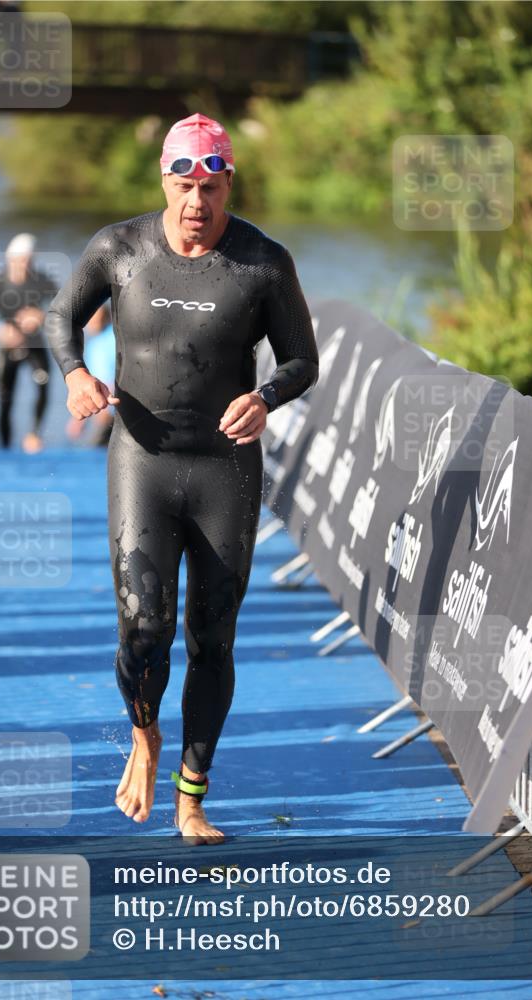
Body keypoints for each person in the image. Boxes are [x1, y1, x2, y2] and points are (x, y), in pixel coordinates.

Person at [45, 112, 319, 844]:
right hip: (141, 461)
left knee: (213, 637)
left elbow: (302, 360)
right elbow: (60, 318)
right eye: (183, 182)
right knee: (144, 629)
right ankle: (143, 735)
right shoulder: (119, 248)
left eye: (212, 184)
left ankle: (190, 799)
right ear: (163, 179)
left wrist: (264, 398)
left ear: (229, 181)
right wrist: (74, 375)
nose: (197, 201)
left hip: (224, 468)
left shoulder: (261, 262)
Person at [0, 232, 58, 453]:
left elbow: (66, 308)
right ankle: (4, 446)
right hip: (8, 346)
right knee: (4, 398)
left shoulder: (42, 280)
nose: (24, 265)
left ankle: (34, 435)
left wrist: (41, 316)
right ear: (10, 259)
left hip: (35, 344)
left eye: (29, 260)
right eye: (20, 260)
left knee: (43, 386)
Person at [65, 304, 116, 447]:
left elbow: (119, 374)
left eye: (96, 319)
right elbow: (89, 383)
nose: (91, 324)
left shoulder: (112, 339)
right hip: (101, 407)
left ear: (106, 318)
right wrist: (78, 420)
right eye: (90, 320)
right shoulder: (94, 344)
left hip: (113, 409)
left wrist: (106, 407)